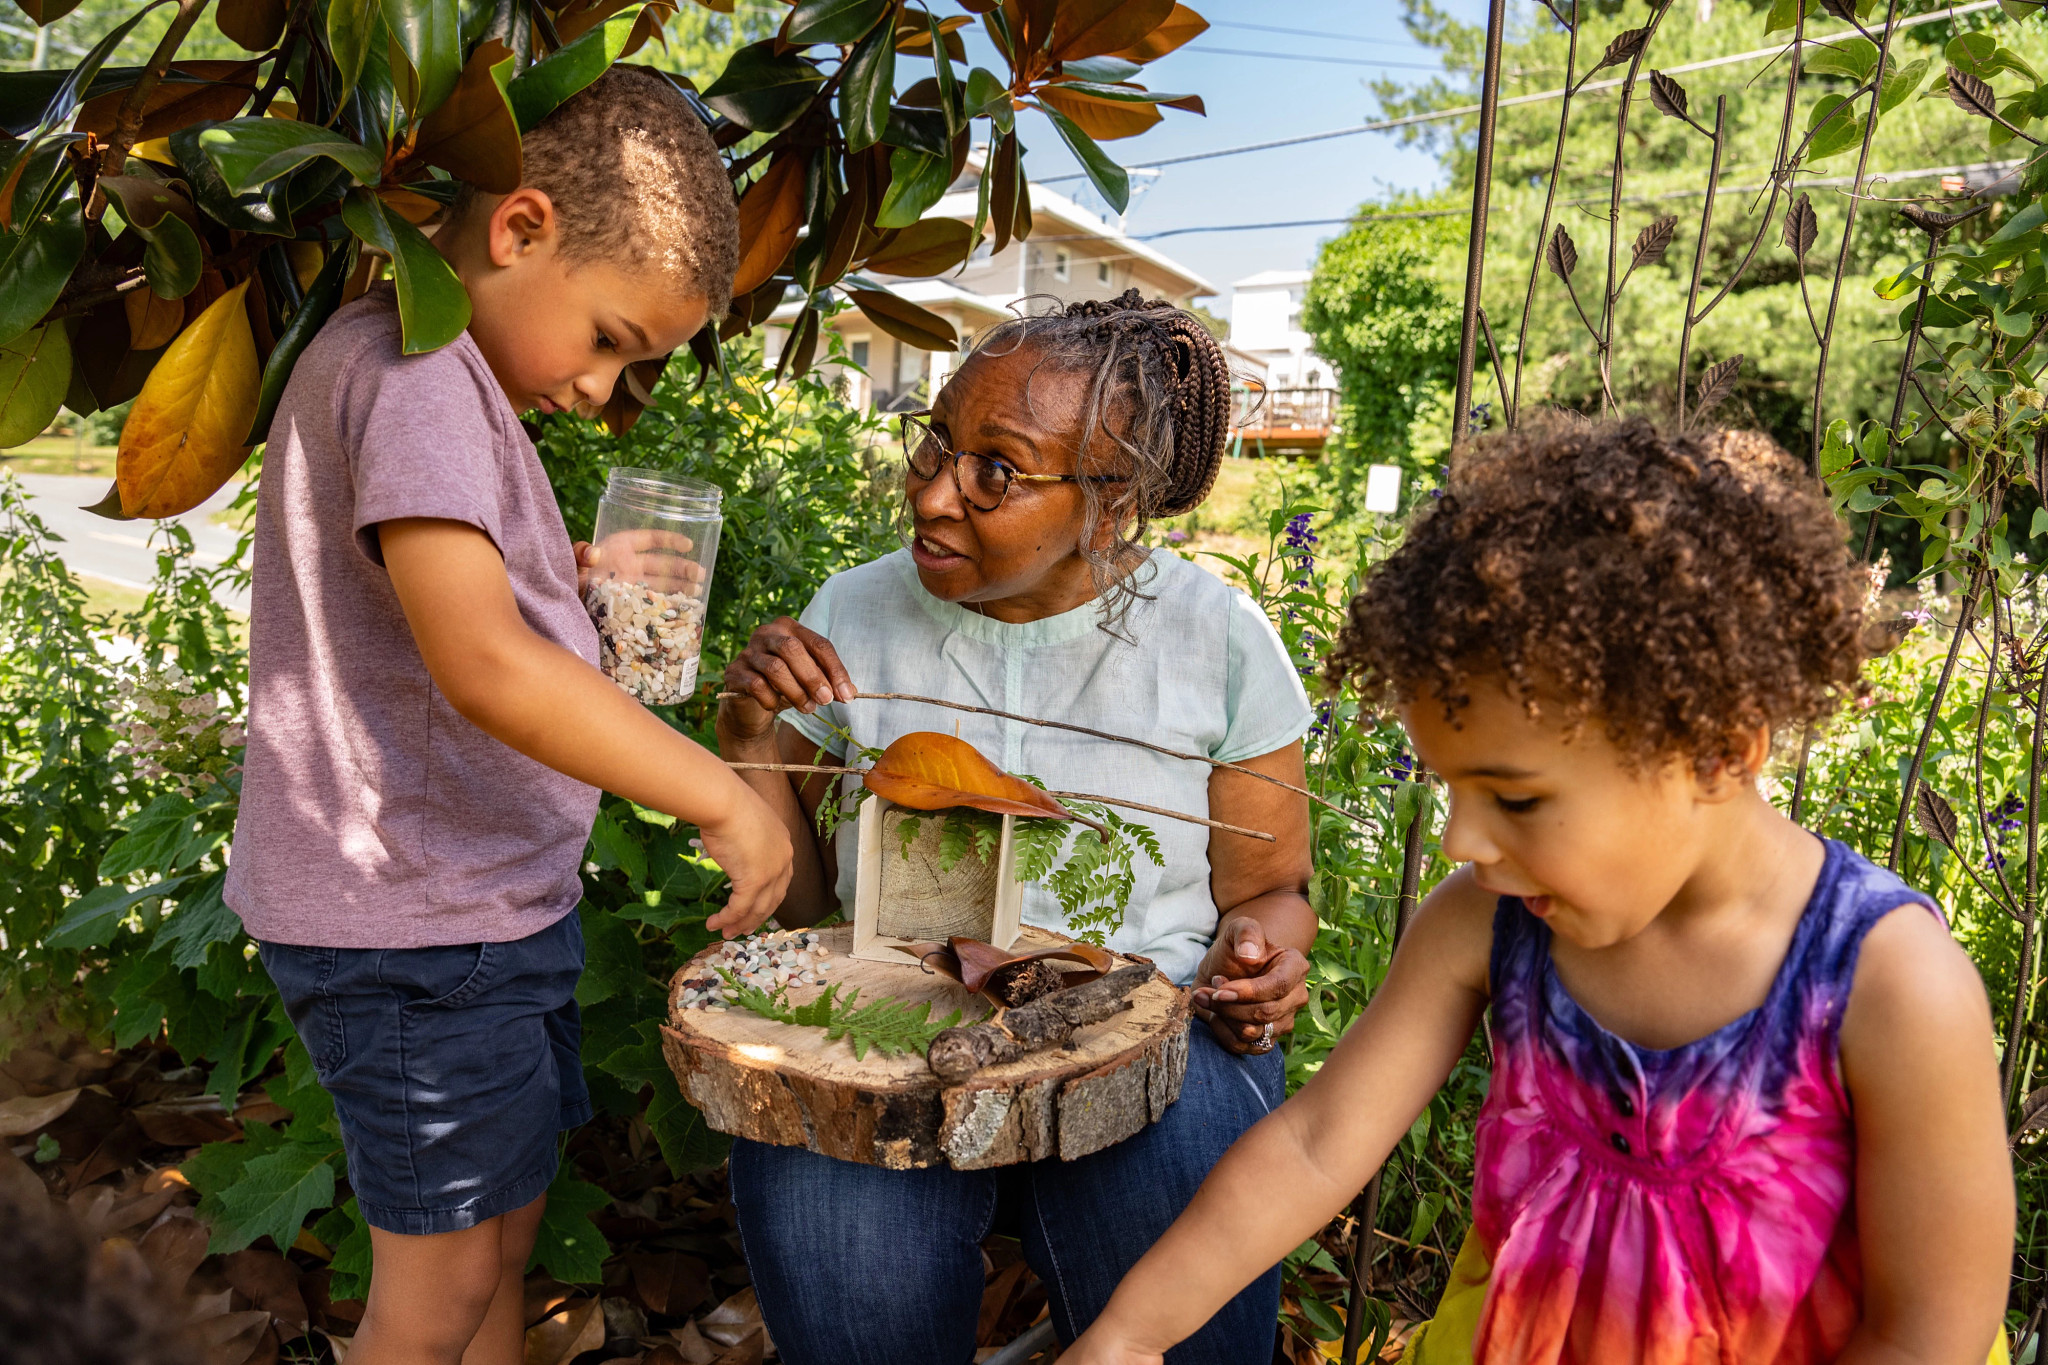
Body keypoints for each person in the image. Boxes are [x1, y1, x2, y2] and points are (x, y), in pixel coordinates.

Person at [1064, 418, 2015, 1365]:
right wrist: (1129, 1333)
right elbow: (1316, 1144)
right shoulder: (1490, 923)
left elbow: (1926, 1329)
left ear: (1719, 749)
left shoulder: (1889, 988)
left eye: (1515, 796)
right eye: (1451, 787)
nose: (1460, 840)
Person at [223, 69, 793, 1365]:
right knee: (436, 1285)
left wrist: (575, 580)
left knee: (503, 1231)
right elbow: (478, 660)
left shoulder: (446, 377)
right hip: (415, 934)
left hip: (480, 914)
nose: (602, 387)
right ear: (520, 228)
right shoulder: (418, 373)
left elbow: (458, 593)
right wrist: (712, 790)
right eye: (608, 339)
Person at [715, 290, 1317, 1363]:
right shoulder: (852, 612)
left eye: (997, 470)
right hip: (890, 1025)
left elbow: (1273, 890)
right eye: (935, 444)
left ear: (1112, 499)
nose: (934, 495)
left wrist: (1263, 956)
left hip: (1156, 1033)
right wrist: (749, 733)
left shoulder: (1212, 639)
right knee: (832, 1226)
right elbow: (803, 910)